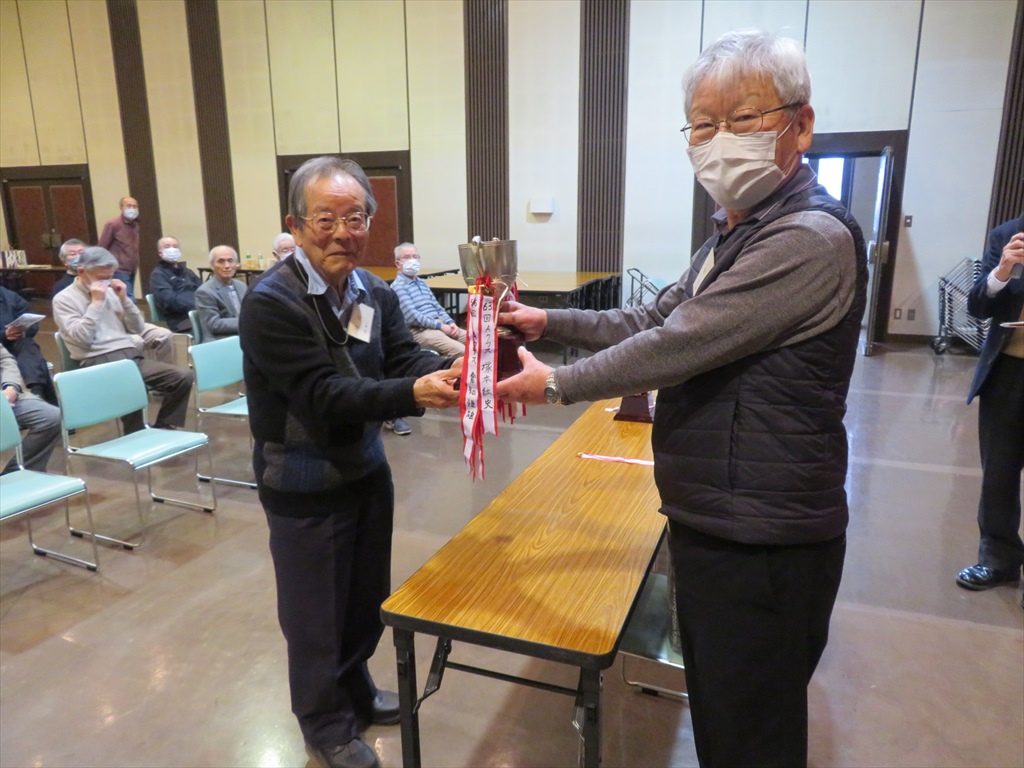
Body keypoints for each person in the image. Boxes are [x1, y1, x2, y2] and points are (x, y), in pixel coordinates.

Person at [496, 30, 866, 768]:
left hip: (761, 532)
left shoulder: (807, 237)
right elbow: (653, 316)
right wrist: (549, 321)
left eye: (745, 117)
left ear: (801, 124)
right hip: (721, 513)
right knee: (726, 712)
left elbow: (678, 344)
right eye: (702, 123)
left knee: (750, 734)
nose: (719, 139)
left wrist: (557, 382)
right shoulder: (734, 233)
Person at [239, 156, 461, 768]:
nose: (343, 232)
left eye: (356, 218)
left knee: (363, 599)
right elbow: (323, 395)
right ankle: (323, 722)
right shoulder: (271, 302)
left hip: (365, 469)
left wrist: (452, 369)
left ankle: (355, 688)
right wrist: (414, 392)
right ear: (296, 225)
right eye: (325, 219)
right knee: (314, 616)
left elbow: (400, 358)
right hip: (303, 482)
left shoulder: (373, 290)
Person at [53, 246, 193, 433]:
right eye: (101, 277)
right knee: (132, 388)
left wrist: (125, 300)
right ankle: (135, 435)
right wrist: (96, 304)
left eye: (109, 276)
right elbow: (81, 338)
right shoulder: (64, 299)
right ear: (81, 272)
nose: (106, 282)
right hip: (97, 358)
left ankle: (163, 426)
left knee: (182, 377)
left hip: (129, 354)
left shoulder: (111, 292)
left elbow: (137, 328)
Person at [957, 214, 1024, 591]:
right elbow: (977, 307)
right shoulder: (1007, 235)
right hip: (1008, 372)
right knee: (999, 472)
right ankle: (998, 560)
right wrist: (1002, 271)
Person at [1, 346, 61, 474]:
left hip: (6, 397)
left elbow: (5, 359)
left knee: (51, 417)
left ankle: (15, 474)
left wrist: (11, 387)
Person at [0, 285, 57, 405]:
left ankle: (37, 391)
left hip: (13, 344)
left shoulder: (10, 297)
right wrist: (4, 334)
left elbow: (33, 323)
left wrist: (23, 330)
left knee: (26, 343)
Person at [194, 245, 246, 341]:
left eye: (230, 261)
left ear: (237, 264)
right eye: (221, 262)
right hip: (221, 340)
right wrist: (247, 322)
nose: (227, 266)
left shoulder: (242, 286)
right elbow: (214, 324)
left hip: (244, 336)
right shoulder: (205, 291)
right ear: (212, 266)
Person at [150, 236, 201, 333]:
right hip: (181, 320)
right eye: (167, 247)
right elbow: (170, 301)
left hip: (201, 313)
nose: (172, 249)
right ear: (160, 253)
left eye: (175, 246)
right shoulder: (158, 275)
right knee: (214, 327)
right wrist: (197, 304)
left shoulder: (187, 272)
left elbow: (203, 290)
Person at [97, 196, 140, 299]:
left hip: (132, 269)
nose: (132, 208)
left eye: (134, 206)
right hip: (118, 270)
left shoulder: (135, 224)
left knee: (123, 299)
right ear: (121, 207)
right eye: (128, 206)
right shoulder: (113, 224)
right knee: (128, 299)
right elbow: (101, 248)